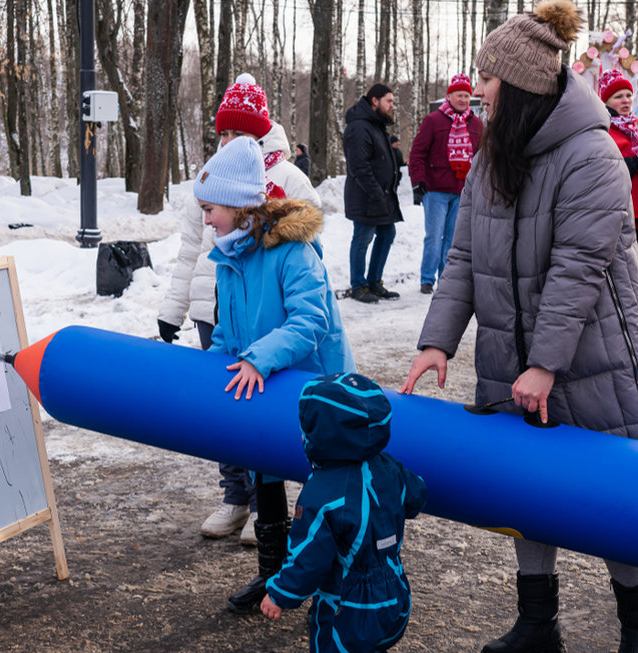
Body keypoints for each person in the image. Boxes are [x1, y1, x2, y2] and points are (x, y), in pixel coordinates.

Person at [399, 0, 638, 653]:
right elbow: (463, 257)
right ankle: (538, 622)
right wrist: (438, 342)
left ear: (519, 85)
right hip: (509, 357)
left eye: (488, 79)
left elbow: (580, 268)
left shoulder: (592, 156)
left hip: (589, 359)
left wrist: (545, 364)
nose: (478, 88)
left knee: (611, 492)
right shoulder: (494, 154)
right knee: (523, 490)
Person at [192, 136, 355, 614]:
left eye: (211, 209)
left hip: (313, 387)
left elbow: (310, 322)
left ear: (241, 205)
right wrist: (210, 364)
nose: (206, 220)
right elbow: (228, 328)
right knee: (264, 473)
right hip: (265, 385)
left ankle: (329, 585)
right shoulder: (230, 256)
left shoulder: (292, 250)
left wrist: (257, 358)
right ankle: (272, 574)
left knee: (320, 490)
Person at [157, 74, 321, 546]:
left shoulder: (287, 188)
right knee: (235, 415)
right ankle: (243, 504)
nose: (227, 141)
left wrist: (263, 350)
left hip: (278, 332)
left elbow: (307, 305)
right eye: (222, 132)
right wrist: (176, 308)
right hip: (227, 312)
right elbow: (193, 249)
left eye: (237, 132)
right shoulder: (215, 191)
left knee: (283, 432)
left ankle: (300, 548)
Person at [261, 373, 426, 653]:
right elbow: (416, 496)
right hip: (395, 595)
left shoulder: (323, 493)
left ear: (322, 436)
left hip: (348, 603)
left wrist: (280, 593)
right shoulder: (390, 468)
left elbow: (308, 556)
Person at [408, 73, 483, 295]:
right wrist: (418, 181)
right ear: (449, 96)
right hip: (436, 189)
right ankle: (426, 279)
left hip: (462, 191)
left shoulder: (476, 124)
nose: (464, 100)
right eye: (460, 95)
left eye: (467, 96)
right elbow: (417, 153)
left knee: (452, 239)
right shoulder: (433, 121)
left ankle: (446, 278)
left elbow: (481, 157)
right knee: (434, 236)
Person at [343, 83, 403, 304]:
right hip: (366, 196)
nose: (392, 105)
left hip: (381, 195)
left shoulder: (376, 125)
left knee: (387, 235)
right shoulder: (360, 127)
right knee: (362, 239)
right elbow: (359, 167)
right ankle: (358, 285)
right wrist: (377, 193)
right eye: (389, 101)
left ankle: (374, 282)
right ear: (374, 101)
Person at [601, 69, 638, 261]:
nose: (626, 100)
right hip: (617, 214)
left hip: (637, 215)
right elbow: (607, 173)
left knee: (634, 268)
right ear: (605, 102)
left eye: (629, 95)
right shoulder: (605, 132)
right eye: (618, 96)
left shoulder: (634, 132)